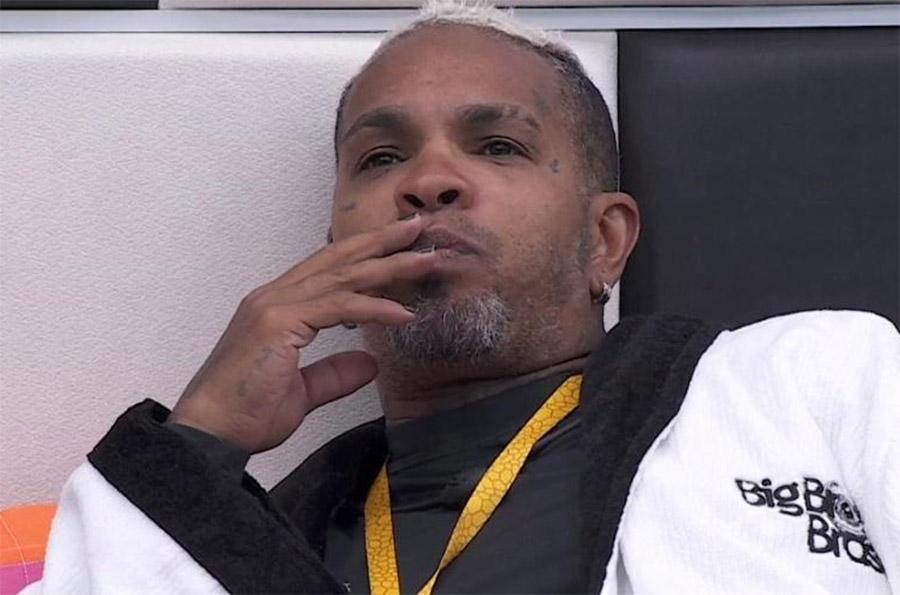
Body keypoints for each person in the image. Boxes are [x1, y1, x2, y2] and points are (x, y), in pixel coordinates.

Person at [24, 1, 899, 593]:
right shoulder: (247, 537)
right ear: (334, 253)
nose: (429, 180)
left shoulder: (809, 382)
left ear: (605, 239)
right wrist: (197, 445)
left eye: (498, 146)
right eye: (381, 158)